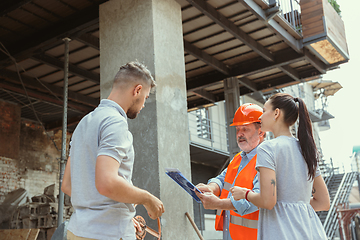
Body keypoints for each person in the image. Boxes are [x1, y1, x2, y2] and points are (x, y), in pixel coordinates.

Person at [61, 61, 165, 240]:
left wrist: (118, 215)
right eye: (146, 98)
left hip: (77, 232)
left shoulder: (84, 123)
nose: (143, 105)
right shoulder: (115, 123)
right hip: (108, 234)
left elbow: (68, 185)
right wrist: (148, 199)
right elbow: (106, 183)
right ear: (137, 90)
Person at [230, 93, 330, 240]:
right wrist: (294, 204)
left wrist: (244, 193)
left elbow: (267, 201)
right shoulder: (307, 149)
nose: (260, 117)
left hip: (282, 232)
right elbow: (323, 202)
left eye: (264, 111)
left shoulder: (268, 148)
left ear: (276, 113)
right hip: (311, 232)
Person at [196, 103, 265, 240]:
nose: (240, 134)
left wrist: (217, 203)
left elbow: (256, 201)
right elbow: (222, 180)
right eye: (238, 129)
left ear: (261, 132)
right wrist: (210, 188)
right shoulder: (238, 159)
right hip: (232, 235)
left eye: (245, 129)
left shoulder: (265, 161)